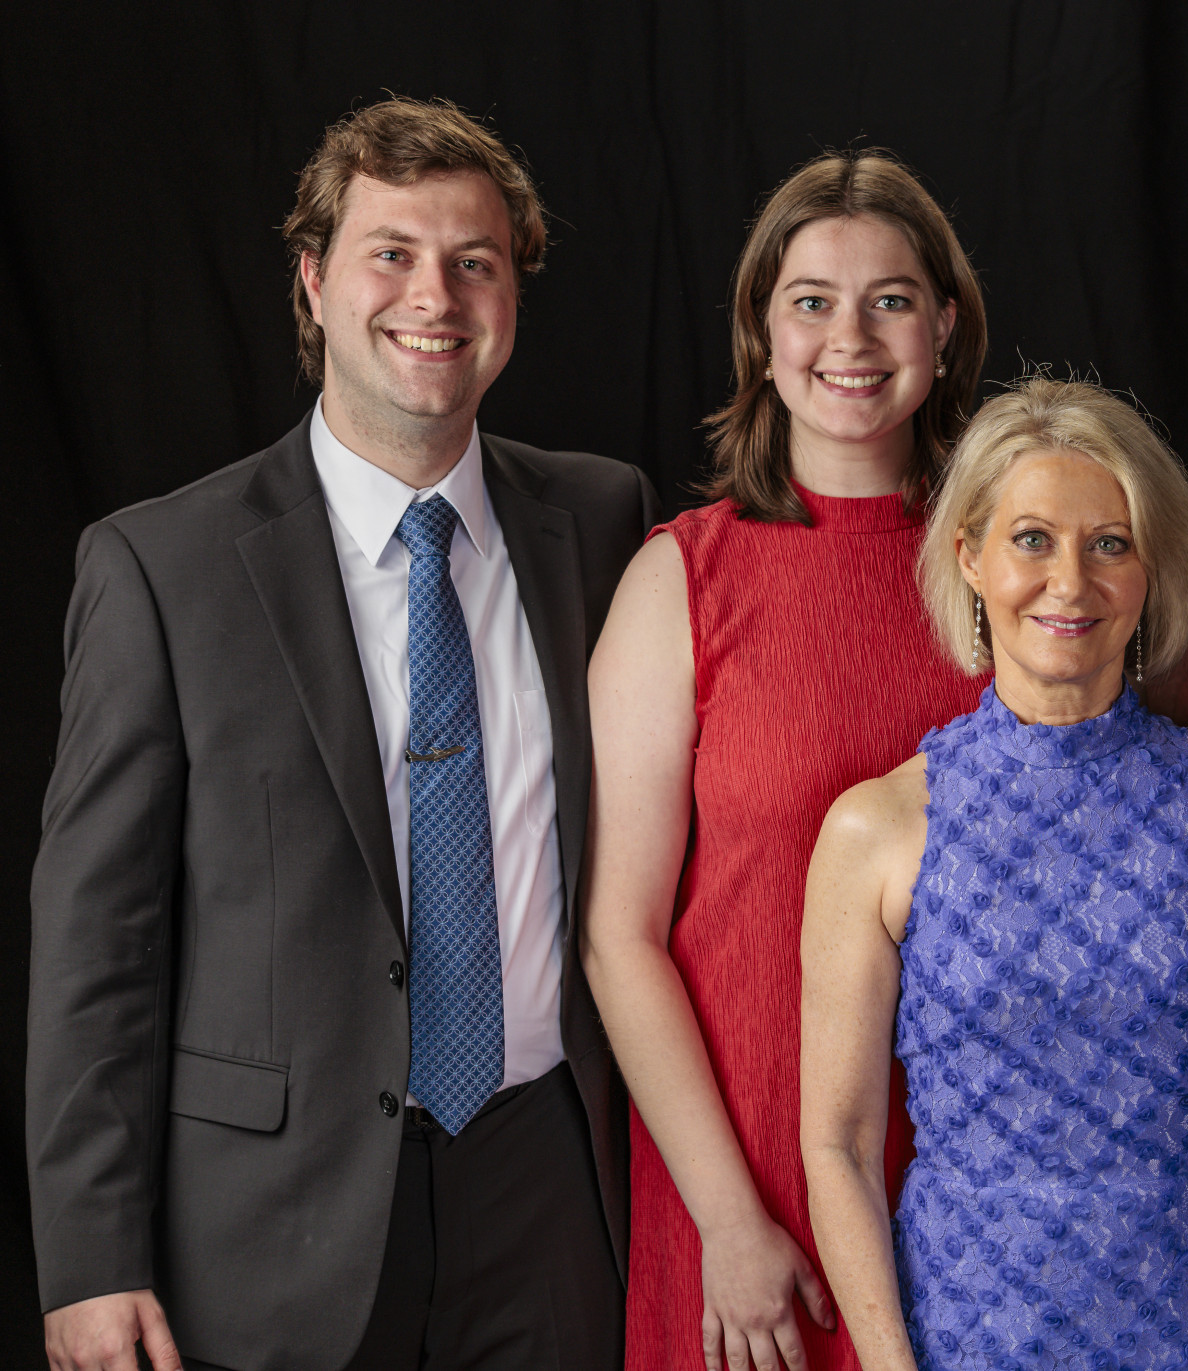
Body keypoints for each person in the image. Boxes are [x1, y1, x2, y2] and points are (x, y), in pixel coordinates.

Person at [582, 155, 1188, 1371]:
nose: (851, 335)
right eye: (811, 300)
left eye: (892, 299)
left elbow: (1108, 770)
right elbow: (618, 937)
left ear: (947, 329)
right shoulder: (680, 580)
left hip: (997, 1187)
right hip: (758, 1174)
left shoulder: (1024, 566)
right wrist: (729, 1214)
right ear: (761, 328)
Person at [27, 99, 653, 1371]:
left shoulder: (601, 523)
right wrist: (92, 1262)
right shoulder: (163, 568)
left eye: (475, 260)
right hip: (273, 1223)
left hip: (551, 1193)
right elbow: (100, 942)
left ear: (512, 295)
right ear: (313, 284)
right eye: (393, 253)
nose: (437, 293)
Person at [799, 376, 1188, 1371]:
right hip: (965, 1341)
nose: (1071, 582)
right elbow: (837, 1144)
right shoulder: (873, 832)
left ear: (1151, 572)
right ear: (969, 554)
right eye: (1033, 539)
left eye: (1110, 544)